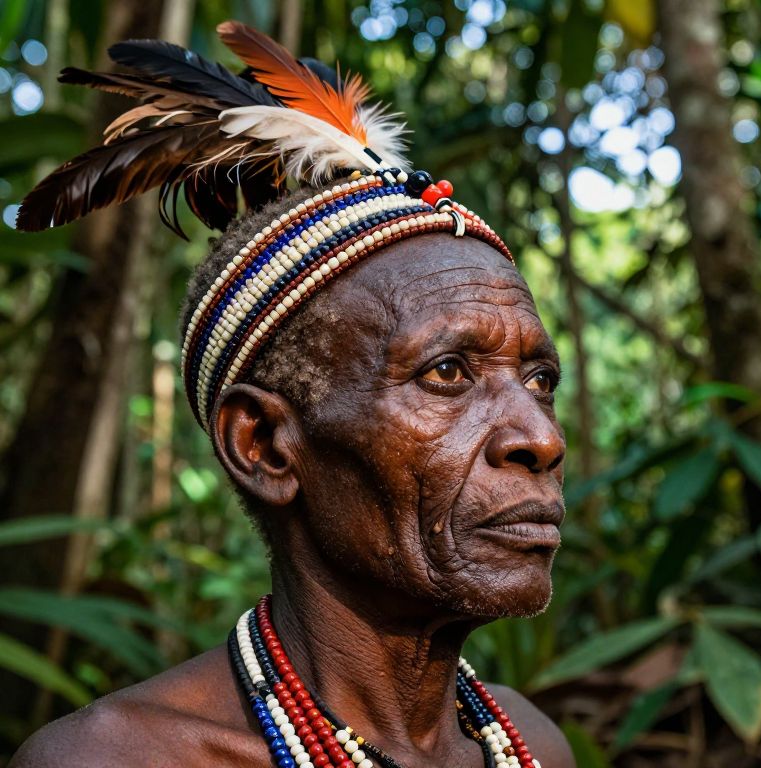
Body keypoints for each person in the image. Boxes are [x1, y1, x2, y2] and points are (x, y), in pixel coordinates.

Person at [11, 21, 574, 768]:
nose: (541, 438)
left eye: (540, 381)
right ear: (265, 445)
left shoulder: (533, 744)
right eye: (446, 373)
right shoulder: (113, 759)